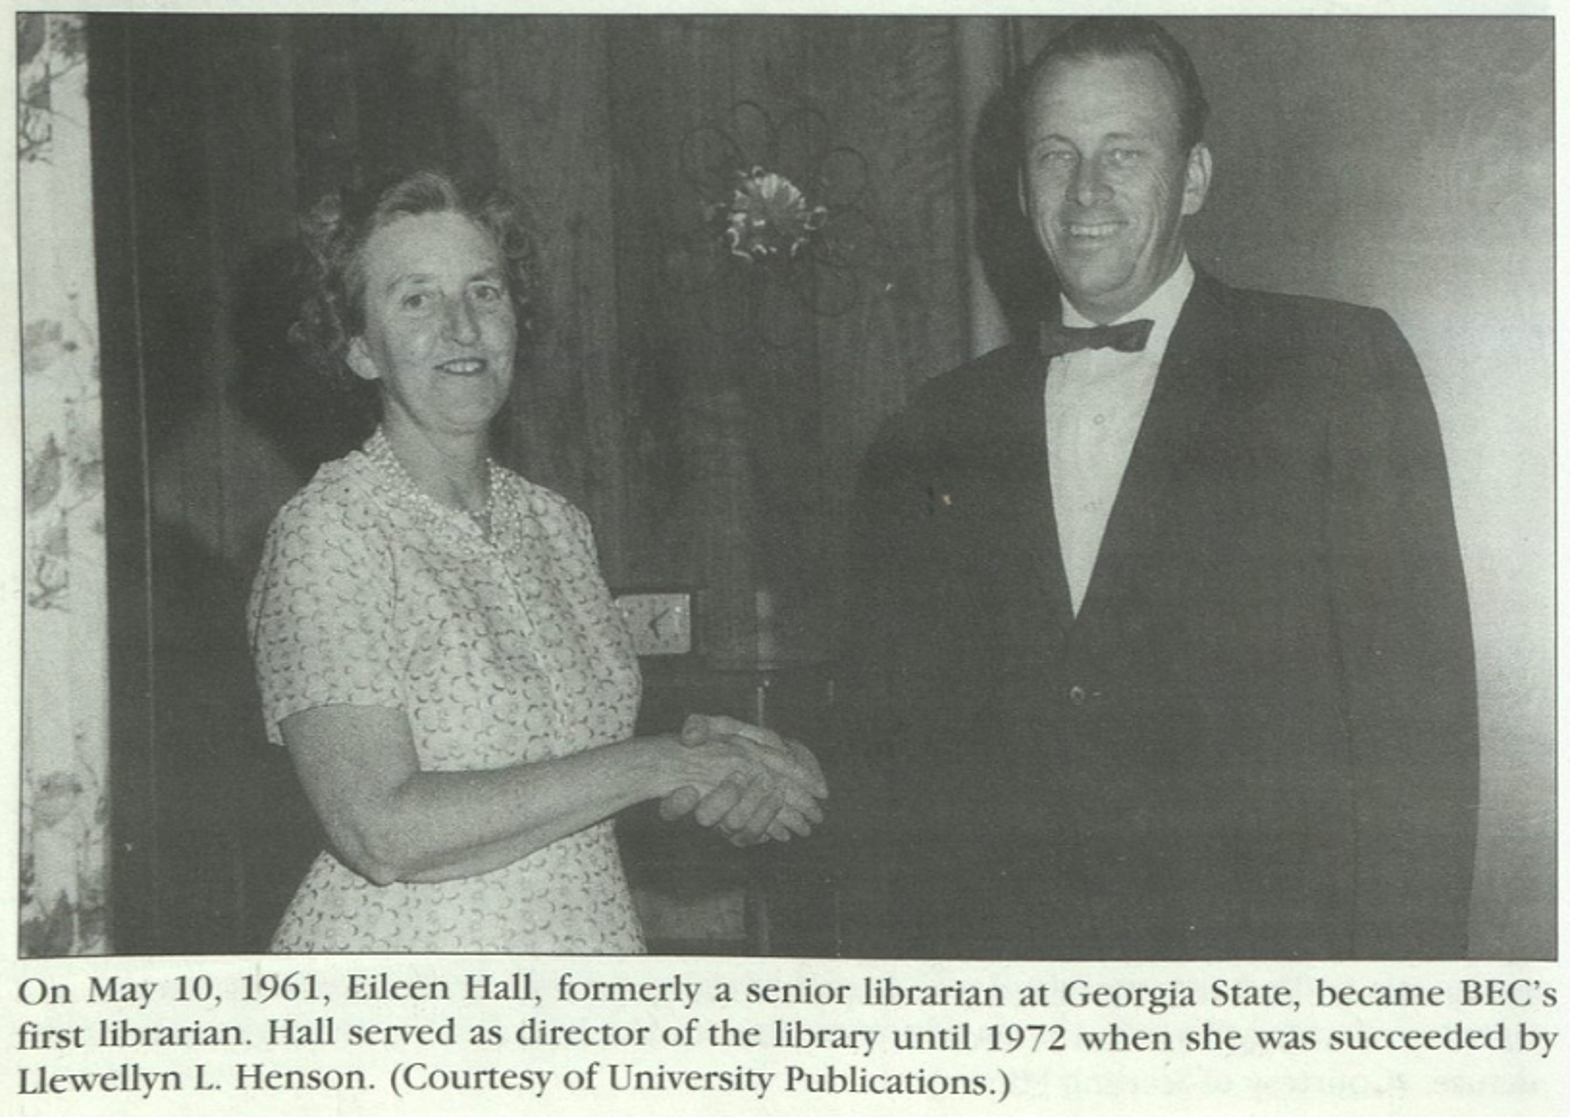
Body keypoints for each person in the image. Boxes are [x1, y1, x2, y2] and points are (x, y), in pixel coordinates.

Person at [834, 17, 1477, 960]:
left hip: (1263, 999)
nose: (1085, 190)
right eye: (1056, 155)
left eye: (1124, 154)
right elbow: (894, 769)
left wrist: (1400, 1026)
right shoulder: (929, 432)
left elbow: (1418, 736)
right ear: (1019, 188)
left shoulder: (1337, 371)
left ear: (1196, 178)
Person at [247, 169, 826, 953]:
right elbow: (380, 828)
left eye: (484, 292)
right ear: (358, 348)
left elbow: (565, 778)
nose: (461, 327)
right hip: (409, 983)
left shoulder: (556, 525)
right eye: (416, 298)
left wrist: (712, 777)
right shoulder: (329, 530)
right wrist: (655, 764)